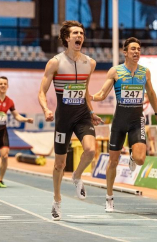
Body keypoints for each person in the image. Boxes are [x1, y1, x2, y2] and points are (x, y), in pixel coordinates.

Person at [38, 20, 103, 221]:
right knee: (59, 164)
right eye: (75, 33)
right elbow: (41, 91)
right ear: (67, 38)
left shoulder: (89, 63)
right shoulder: (55, 62)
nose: (80, 36)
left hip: (82, 115)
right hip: (64, 118)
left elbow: (85, 91)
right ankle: (57, 199)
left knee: (91, 150)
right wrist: (46, 109)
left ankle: (76, 176)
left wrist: (91, 112)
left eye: (82, 33)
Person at [91, 37, 157, 212]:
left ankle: (131, 156)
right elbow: (101, 94)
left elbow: (152, 94)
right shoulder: (115, 72)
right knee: (113, 162)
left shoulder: (145, 72)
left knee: (140, 159)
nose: (136, 52)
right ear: (125, 52)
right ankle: (109, 198)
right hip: (119, 121)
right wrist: (87, 97)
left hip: (137, 120)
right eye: (133, 49)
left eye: (138, 49)